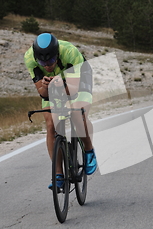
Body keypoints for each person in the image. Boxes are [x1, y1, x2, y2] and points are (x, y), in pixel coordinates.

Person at [24, 33, 97, 189]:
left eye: (51, 60)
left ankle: (89, 150)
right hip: (53, 85)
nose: (47, 66)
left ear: (57, 54)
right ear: (36, 58)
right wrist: (44, 86)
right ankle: (58, 175)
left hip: (79, 79)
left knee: (78, 114)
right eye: (42, 62)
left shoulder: (70, 52)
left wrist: (61, 83)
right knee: (51, 124)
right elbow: (42, 94)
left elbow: (74, 91)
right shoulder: (30, 58)